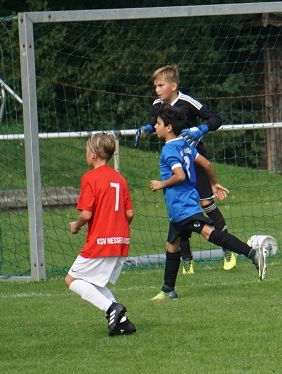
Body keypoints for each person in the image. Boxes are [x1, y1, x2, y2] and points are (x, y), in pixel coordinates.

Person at [148, 104, 267, 300]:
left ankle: (253, 254)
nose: (155, 126)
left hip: (183, 206)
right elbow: (206, 163)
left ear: (168, 127)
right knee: (172, 245)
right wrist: (213, 183)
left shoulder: (168, 150)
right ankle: (168, 289)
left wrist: (161, 184)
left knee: (209, 233)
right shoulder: (184, 145)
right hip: (180, 208)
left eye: (158, 123)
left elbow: (179, 175)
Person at [135, 65, 236, 275]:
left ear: (173, 86)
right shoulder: (158, 105)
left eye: (160, 85)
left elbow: (215, 118)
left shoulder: (188, 102)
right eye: (155, 86)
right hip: (174, 162)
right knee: (179, 210)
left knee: (207, 205)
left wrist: (201, 129)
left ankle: (228, 249)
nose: (157, 90)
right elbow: (157, 122)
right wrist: (146, 129)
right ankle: (187, 259)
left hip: (194, 160)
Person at [65, 132, 136, 336]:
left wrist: (76, 225)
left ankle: (111, 308)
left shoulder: (90, 178)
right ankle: (123, 322)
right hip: (121, 241)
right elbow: (129, 213)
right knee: (95, 283)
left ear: (93, 154)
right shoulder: (120, 179)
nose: (85, 154)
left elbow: (86, 214)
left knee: (71, 279)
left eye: (86, 150)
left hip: (101, 241)